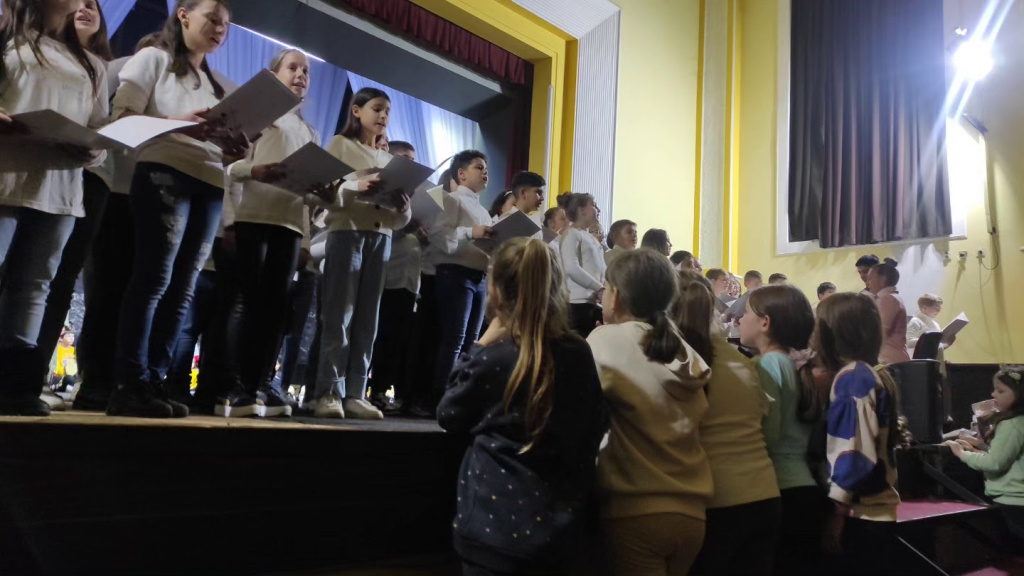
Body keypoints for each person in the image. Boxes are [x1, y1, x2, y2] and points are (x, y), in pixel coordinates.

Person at [108, 0, 248, 418]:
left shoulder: (218, 86)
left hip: (210, 182)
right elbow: (122, 119)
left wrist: (236, 151)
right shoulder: (153, 58)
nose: (219, 29)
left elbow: (224, 150)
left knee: (183, 288)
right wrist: (181, 123)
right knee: (154, 278)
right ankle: (128, 383)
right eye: (212, 19)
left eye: (225, 25)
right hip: (163, 171)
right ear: (183, 15)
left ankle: (156, 378)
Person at [438, 238, 608, 576]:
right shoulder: (578, 353)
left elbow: (449, 413)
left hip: (494, 532)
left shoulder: (495, 358)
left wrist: (481, 342)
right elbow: (597, 422)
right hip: (563, 532)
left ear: (496, 291)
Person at [0, 0, 108, 416]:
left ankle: (15, 387)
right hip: (6, 175)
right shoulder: (8, 37)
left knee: (35, 286)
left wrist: (92, 150)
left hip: (60, 187)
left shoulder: (91, 65)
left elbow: (98, 131)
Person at [589, 249, 712, 576]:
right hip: (692, 512)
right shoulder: (682, 348)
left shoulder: (606, 340)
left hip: (636, 509)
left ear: (615, 296)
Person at [219, 48, 322, 417]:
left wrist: (308, 232)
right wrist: (232, 217)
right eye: (292, 67)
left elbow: (306, 192)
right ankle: (236, 388)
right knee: (248, 303)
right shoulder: (258, 116)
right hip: (252, 217)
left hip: (289, 225)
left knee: (276, 310)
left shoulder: (309, 131)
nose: (300, 75)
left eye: (306, 71)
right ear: (274, 73)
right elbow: (228, 168)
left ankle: (261, 384)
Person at [72, 31, 163, 413]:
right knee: (107, 291)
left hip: (150, 195)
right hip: (114, 190)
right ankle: (94, 379)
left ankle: (118, 379)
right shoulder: (115, 71)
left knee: (131, 293)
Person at [310, 87, 412, 420]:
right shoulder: (340, 145)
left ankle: (355, 391)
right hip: (347, 232)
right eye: (377, 108)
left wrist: (403, 207)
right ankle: (328, 391)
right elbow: (323, 194)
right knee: (339, 314)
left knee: (368, 318)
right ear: (356, 111)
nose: (383, 116)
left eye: (387, 112)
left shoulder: (388, 159)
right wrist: (357, 186)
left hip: (381, 236)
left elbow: (401, 219)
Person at [33, 0, 114, 412]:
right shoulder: (29, 48)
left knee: (59, 281)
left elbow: (105, 128)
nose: (85, 7)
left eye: (94, 5)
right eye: (78, 2)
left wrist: (94, 148)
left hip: (88, 181)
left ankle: (29, 375)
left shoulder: (105, 70)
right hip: (31, 165)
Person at [676, 272, 781, 576]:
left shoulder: (679, 362)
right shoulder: (741, 361)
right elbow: (767, 427)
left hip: (716, 501)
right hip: (765, 495)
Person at [813, 293, 903, 575]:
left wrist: (838, 511)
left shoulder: (853, 378)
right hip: (874, 511)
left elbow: (852, 451)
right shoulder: (871, 372)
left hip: (861, 514)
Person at [737, 285, 822, 575]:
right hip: (803, 486)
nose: (739, 319)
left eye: (746, 312)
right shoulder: (789, 362)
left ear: (765, 322)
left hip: (782, 490)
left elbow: (768, 435)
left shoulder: (765, 365)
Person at [429, 150, 493, 414]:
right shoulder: (453, 200)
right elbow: (438, 235)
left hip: (479, 276)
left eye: (486, 168)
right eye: (479, 167)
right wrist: (470, 232)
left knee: (471, 342)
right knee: (454, 339)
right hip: (455, 273)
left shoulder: (484, 211)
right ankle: (441, 398)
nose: (485, 172)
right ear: (462, 174)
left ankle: (461, 398)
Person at [944, 366, 1024, 543]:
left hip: (1013, 504)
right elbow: (1013, 456)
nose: (993, 394)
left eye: (1001, 391)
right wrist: (980, 448)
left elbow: (994, 464)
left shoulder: (1012, 425)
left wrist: (962, 454)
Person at [369, 222, 421, 412]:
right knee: (379, 339)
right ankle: (368, 390)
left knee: (396, 343)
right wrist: (407, 227)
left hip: (409, 286)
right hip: (388, 281)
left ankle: (381, 391)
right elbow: (385, 230)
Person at [559, 193, 605, 338]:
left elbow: (601, 267)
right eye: (594, 205)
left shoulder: (589, 237)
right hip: (577, 304)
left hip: (591, 302)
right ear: (582, 210)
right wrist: (598, 288)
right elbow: (571, 267)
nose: (598, 209)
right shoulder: (572, 234)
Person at [866, 258, 910, 365]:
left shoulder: (887, 298)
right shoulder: (891, 297)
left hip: (889, 360)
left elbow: (880, 333)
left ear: (882, 280)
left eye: (870, 279)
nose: (867, 284)